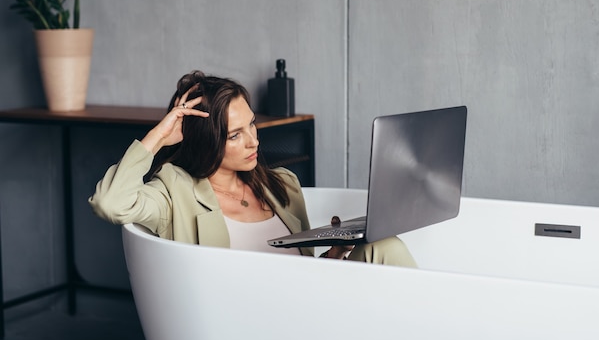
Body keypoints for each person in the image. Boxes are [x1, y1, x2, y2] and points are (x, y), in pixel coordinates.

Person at [89, 70, 417, 267]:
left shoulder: (282, 185)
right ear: (204, 140)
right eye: (234, 135)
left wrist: (336, 250)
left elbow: (303, 275)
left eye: (252, 125)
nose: (253, 141)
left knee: (385, 246)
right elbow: (110, 203)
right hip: (248, 326)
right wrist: (159, 136)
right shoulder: (174, 193)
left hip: (308, 306)